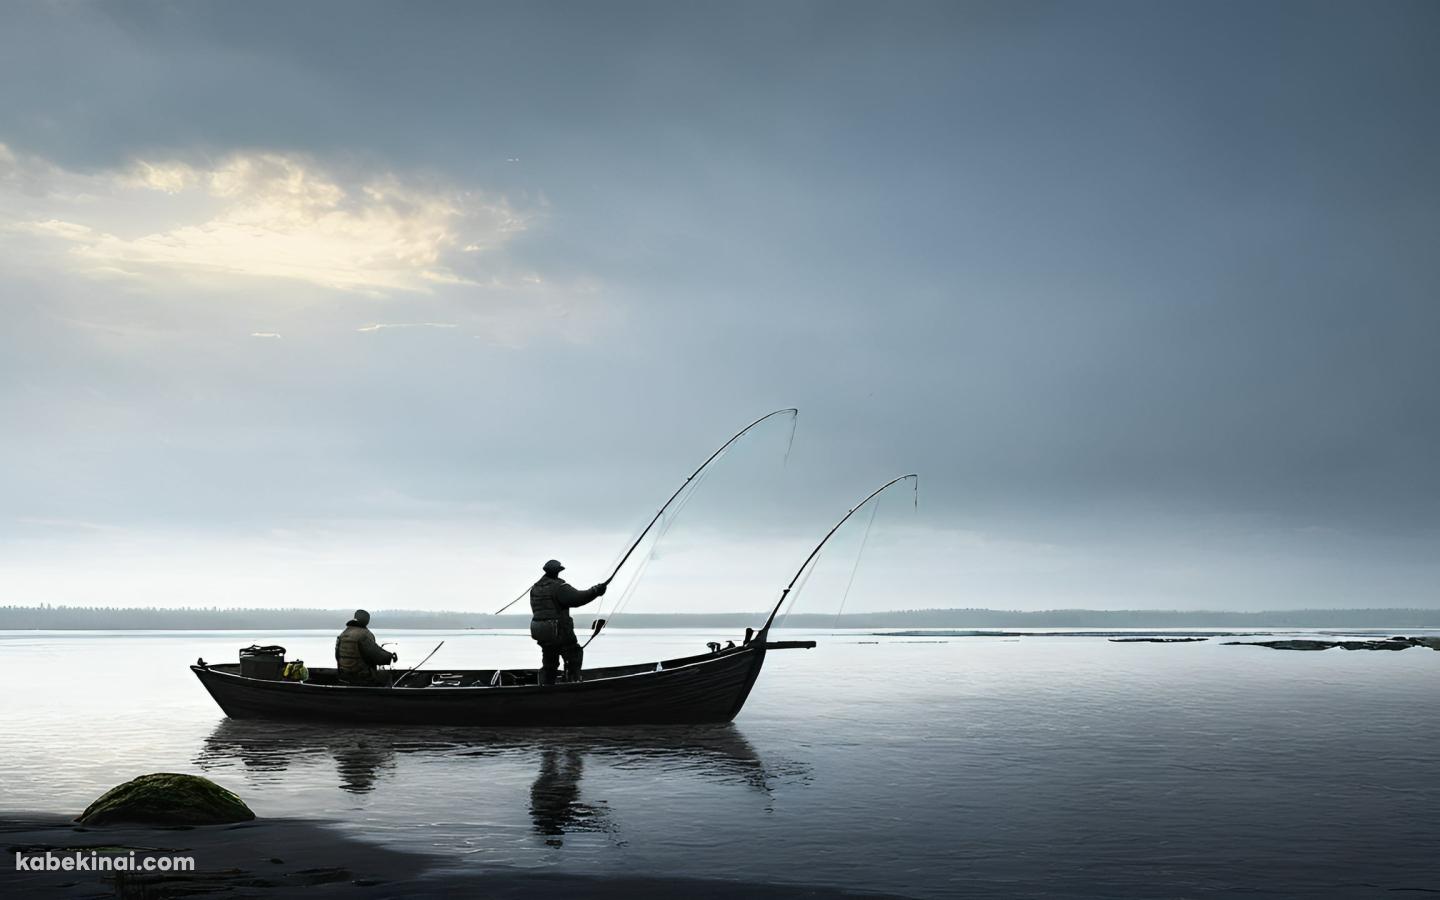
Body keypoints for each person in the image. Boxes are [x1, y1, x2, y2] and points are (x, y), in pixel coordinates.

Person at [529, 560, 607, 685]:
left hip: (542, 633)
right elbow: (578, 598)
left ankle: (545, 688)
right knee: (574, 654)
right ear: (558, 571)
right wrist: (596, 591)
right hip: (559, 631)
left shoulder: (535, 588)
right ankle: (572, 685)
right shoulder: (559, 587)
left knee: (549, 663)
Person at [335, 609, 397, 685]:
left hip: (344, 675)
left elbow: (337, 656)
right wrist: (391, 656)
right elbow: (376, 655)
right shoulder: (364, 634)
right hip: (362, 677)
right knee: (387, 676)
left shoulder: (343, 634)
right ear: (367, 621)